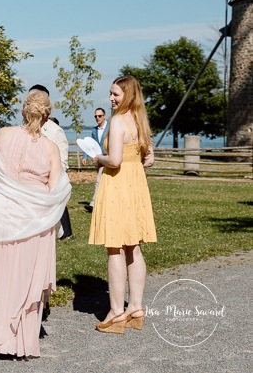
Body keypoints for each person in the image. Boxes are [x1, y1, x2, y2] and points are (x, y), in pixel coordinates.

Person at [0, 90, 71, 358]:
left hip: (0, 218)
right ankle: (17, 341)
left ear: (23, 112)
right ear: (46, 116)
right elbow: (55, 191)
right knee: (23, 280)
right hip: (32, 223)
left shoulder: (2, 136)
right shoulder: (51, 148)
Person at [89, 75, 156, 334]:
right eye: (110, 94)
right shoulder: (139, 120)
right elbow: (149, 159)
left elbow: (114, 160)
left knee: (115, 247)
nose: (111, 99)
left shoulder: (117, 121)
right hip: (136, 184)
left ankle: (117, 312)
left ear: (127, 95)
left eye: (115, 94)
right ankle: (136, 308)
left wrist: (98, 158)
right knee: (134, 247)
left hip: (117, 184)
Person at [31, 84, 73, 241]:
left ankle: (65, 233)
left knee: (58, 205)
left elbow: (62, 161)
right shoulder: (23, 131)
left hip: (49, 179)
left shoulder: (55, 131)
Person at [82, 108, 109, 213]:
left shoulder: (111, 127)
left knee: (98, 181)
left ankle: (92, 204)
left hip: (108, 158)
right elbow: (91, 145)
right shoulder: (94, 130)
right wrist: (85, 156)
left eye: (100, 116)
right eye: (96, 116)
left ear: (104, 116)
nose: (97, 118)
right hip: (99, 160)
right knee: (102, 182)